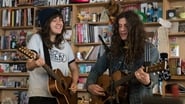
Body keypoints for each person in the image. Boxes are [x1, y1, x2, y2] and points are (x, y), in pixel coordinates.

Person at [86, 10, 159, 104]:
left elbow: (153, 80)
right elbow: (95, 70)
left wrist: (147, 81)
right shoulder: (113, 50)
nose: (122, 29)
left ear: (134, 28)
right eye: (120, 26)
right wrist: (90, 85)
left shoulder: (150, 50)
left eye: (126, 26)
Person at [26, 8, 79, 104]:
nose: (59, 23)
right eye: (54, 20)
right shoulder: (37, 39)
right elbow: (29, 65)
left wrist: (74, 83)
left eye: (61, 20)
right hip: (40, 97)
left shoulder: (65, 44)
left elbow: (74, 68)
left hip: (62, 96)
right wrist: (36, 63)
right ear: (46, 24)